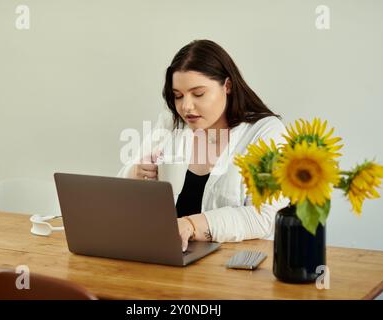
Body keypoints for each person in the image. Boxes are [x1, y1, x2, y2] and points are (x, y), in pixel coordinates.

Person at [117, 39, 289, 252]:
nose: (186, 106)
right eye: (178, 96)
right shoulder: (171, 123)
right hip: (169, 258)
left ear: (227, 86)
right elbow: (119, 193)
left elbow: (264, 217)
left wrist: (190, 225)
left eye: (198, 94)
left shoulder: (265, 131)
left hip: (235, 268)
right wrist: (136, 172)